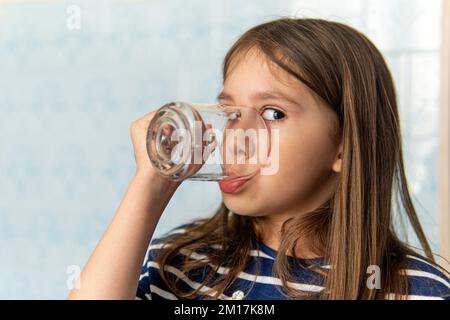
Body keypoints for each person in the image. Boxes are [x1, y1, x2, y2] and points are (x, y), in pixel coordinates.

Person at [68, 18, 450, 300]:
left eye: (272, 113)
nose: (236, 135)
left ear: (343, 148)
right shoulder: (183, 265)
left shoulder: (413, 290)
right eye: (229, 111)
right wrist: (149, 185)